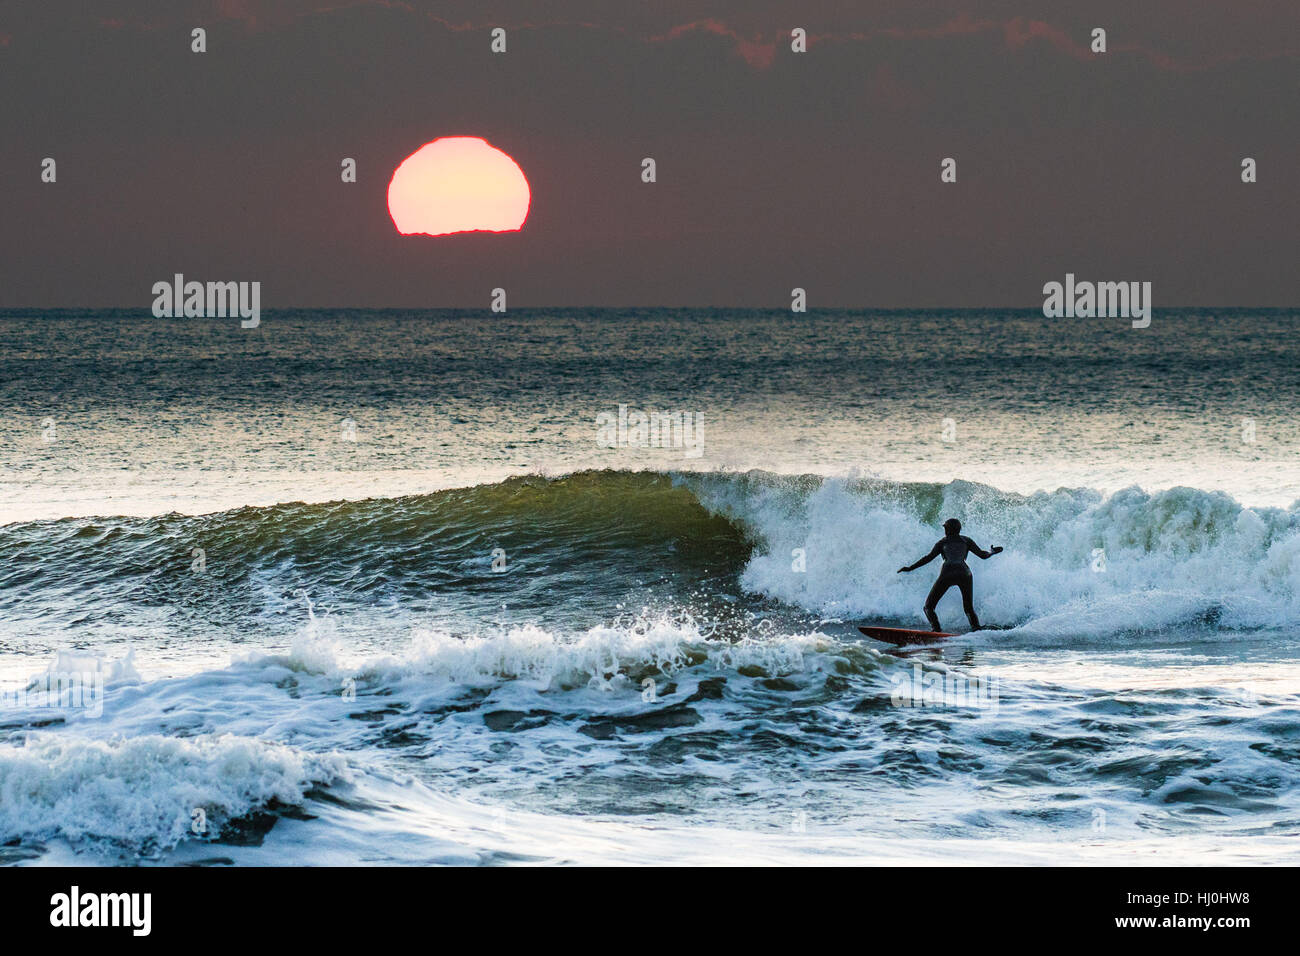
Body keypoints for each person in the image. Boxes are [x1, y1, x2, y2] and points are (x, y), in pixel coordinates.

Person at [897, 518, 1002, 631]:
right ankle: (977, 629)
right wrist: (992, 552)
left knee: (928, 607)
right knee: (968, 609)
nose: (945, 530)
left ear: (948, 529)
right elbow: (983, 555)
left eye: (945, 528)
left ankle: (936, 630)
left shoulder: (942, 542)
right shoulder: (966, 540)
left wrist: (910, 568)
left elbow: (928, 558)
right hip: (965, 573)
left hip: (948, 573)